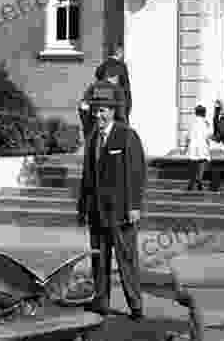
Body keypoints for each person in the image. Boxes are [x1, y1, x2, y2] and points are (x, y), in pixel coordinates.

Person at [77, 80, 146, 320]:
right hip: (97, 211)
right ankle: (101, 302)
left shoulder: (126, 135)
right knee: (99, 261)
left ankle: (136, 306)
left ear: (113, 111)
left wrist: (135, 206)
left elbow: (136, 173)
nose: (99, 115)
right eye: (96, 110)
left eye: (103, 110)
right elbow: (87, 176)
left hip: (121, 211)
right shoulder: (93, 138)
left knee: (127, 261)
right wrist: (82, 209)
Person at [184, 105, 211, 191]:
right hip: (202, 144)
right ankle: (199, 179)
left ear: (196, 112)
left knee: (193, 165)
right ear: (204, 113)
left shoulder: (192, 122)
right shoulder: (206, 122)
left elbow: (188, 136)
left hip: (193, 145)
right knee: (202, 162)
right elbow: (207, 136)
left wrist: (186, 147)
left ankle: (191, 181)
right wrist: (208, 144)